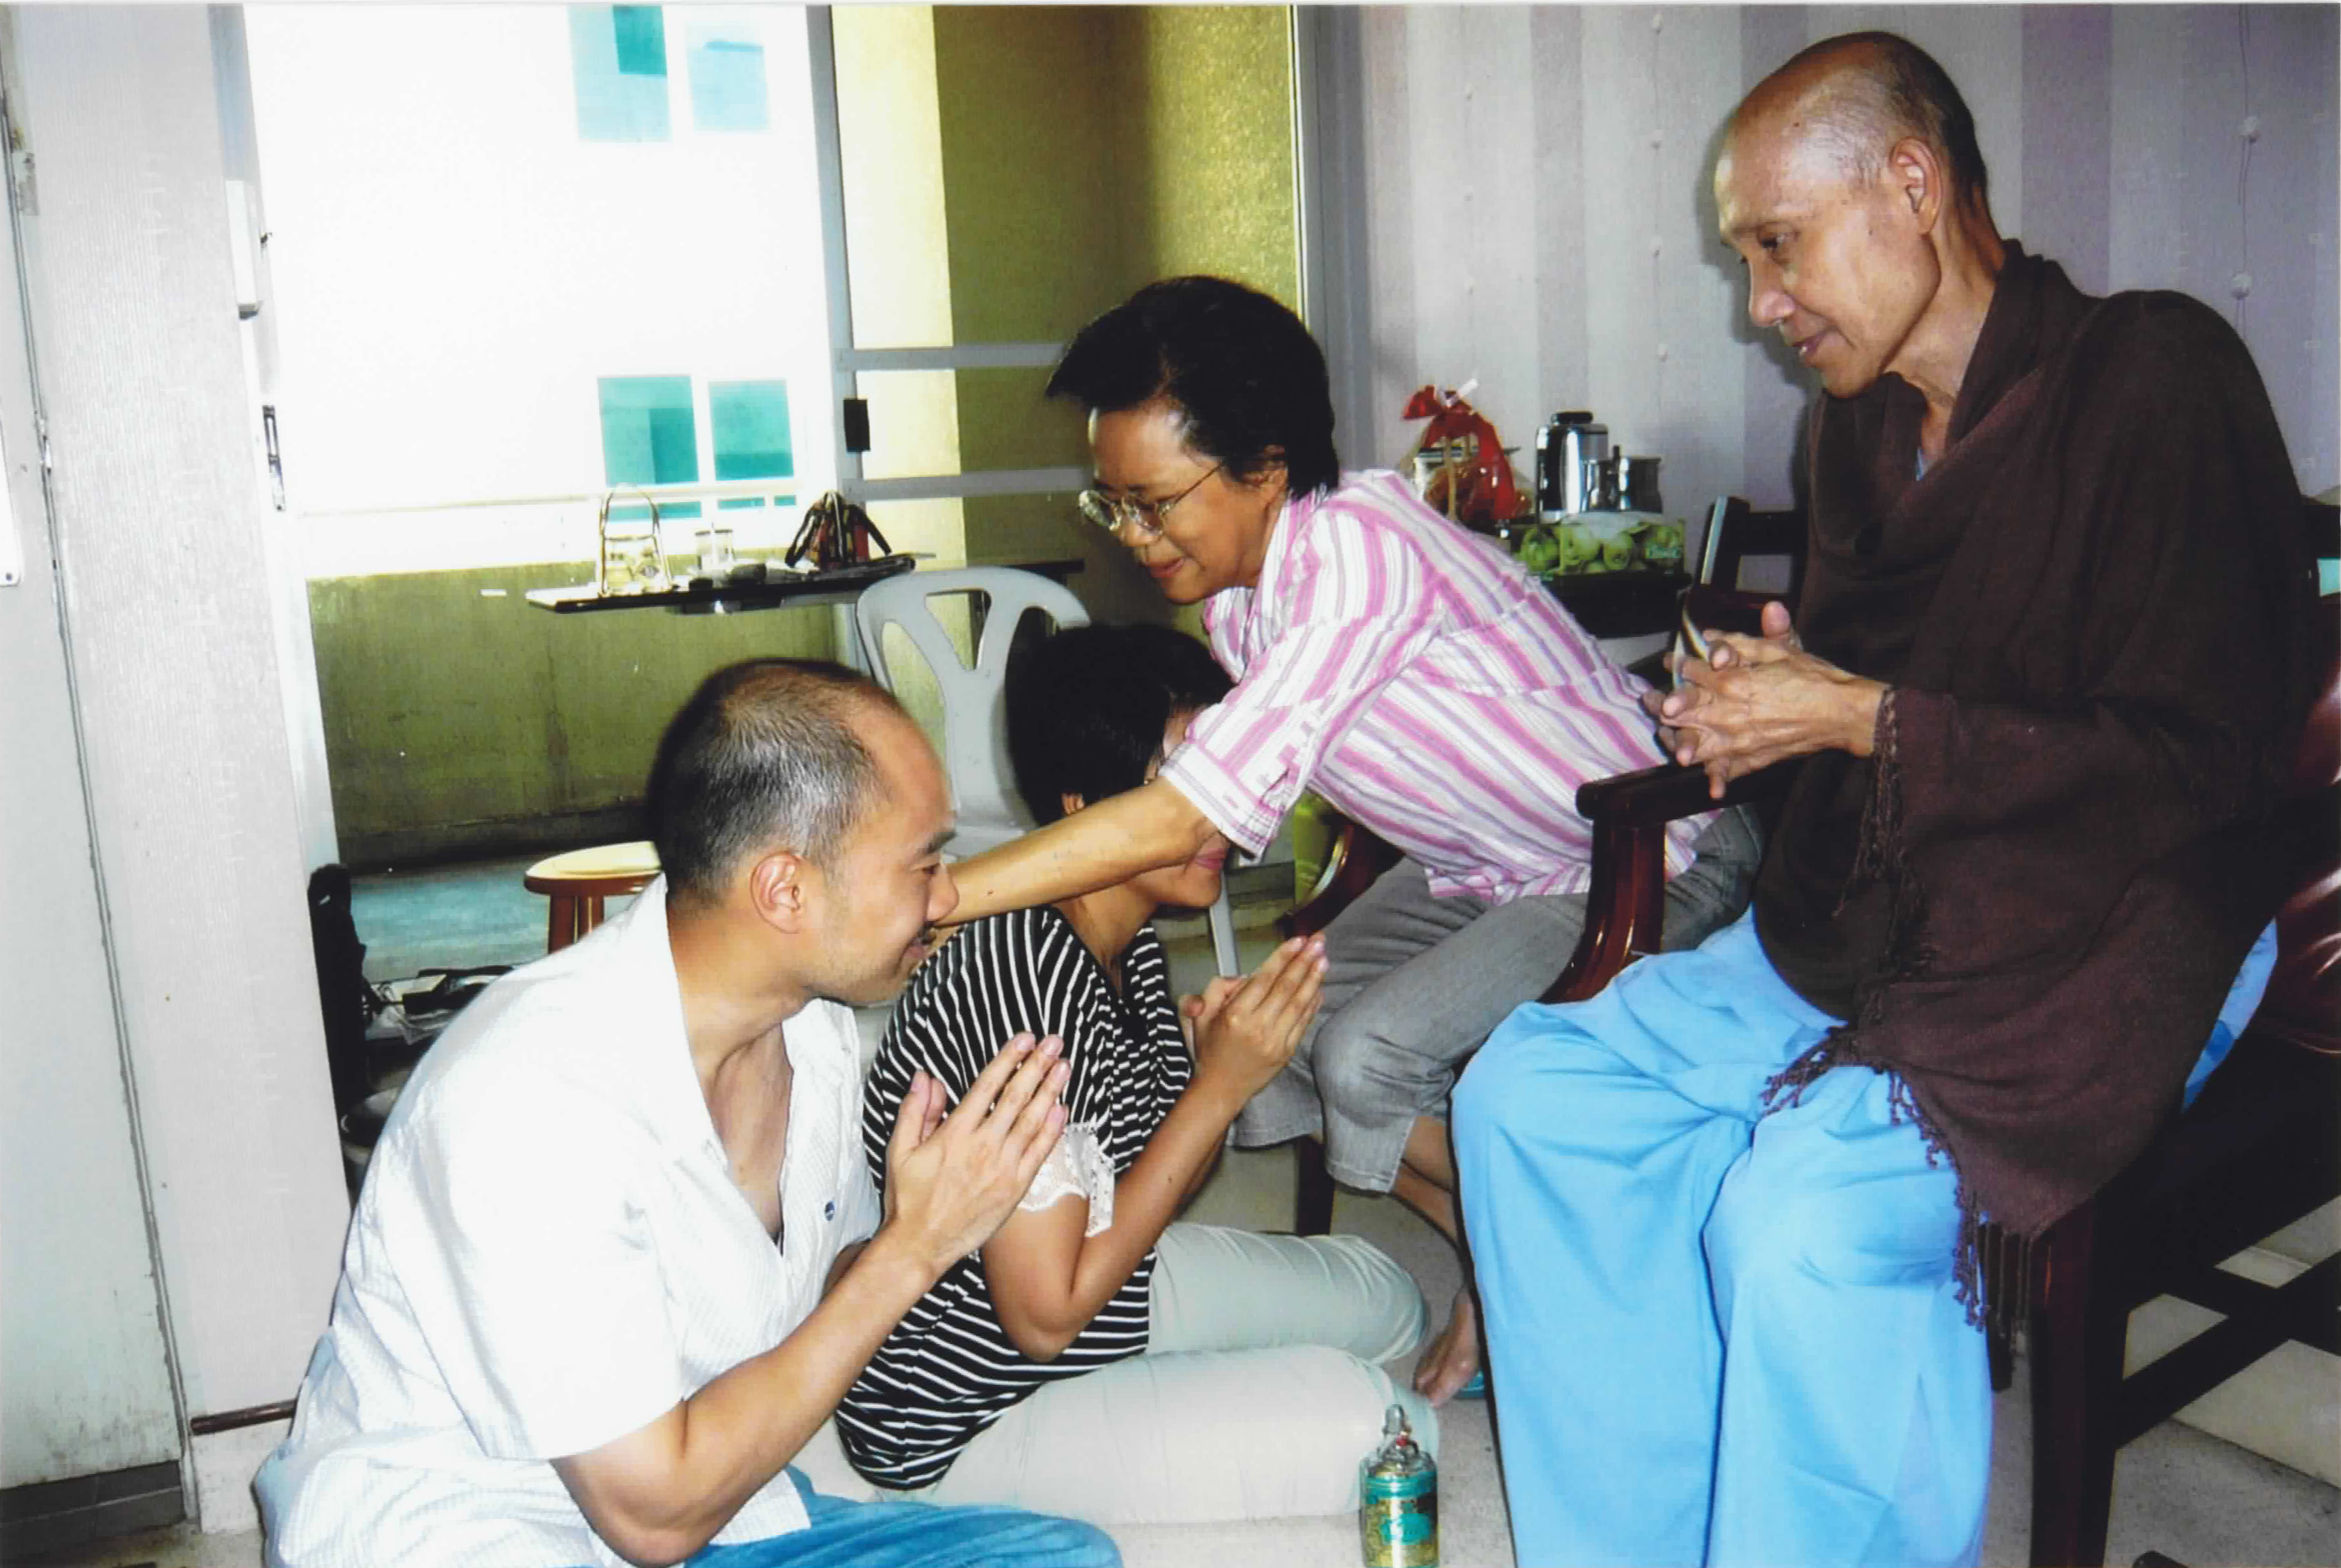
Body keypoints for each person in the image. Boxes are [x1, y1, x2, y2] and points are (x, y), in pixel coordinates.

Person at [1453, 31, 2319, 1568]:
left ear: (1911, 184)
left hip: (2118, 929)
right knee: (1530, 1096)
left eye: (1776, 245)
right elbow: (1870, 705)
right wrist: (1765, 714)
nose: (1761, 304)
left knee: (1800, 1218)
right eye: (1745, 259)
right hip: (1875, 921)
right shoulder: (1851, 429)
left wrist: (1861, 717)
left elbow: (2204, 761)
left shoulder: (2153, 373)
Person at [945, 275, 1763, 1403]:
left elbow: (1187, 809)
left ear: (1266, 467)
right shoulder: (1240, 604)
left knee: (1366, 1054)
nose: (1134, 535)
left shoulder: (1358, 553)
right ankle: (1508, 1256)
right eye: (1113, 504)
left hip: (1647, 850)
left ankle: (1555, 1262)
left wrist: (946, 895)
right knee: (1268, 1033)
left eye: (1156, 502)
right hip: (1488, 866)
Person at [256, 660, 1120, 1568]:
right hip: (469, 1537)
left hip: (705, 1515)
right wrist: (914, 1250)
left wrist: (937, 1211)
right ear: (786, 890)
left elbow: (826, 1295)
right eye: (923, 864)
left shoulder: (814, 1032)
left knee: (1066, 1559)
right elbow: (655, 1517)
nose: (946, 898)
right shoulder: (526, 1103)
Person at [835, 623, 1431, 1522]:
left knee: (1393, 1300)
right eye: (1179, 783)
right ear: (1086, 805)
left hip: (1102, 1290)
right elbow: (1045, 1316)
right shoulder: (1021, 986)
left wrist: (1209, 1081)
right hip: (964, 1406)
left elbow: (1146, 1192)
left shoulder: (1130, 945)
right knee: (1390, 1427)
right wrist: (1218, 1092)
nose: (1220, 815)